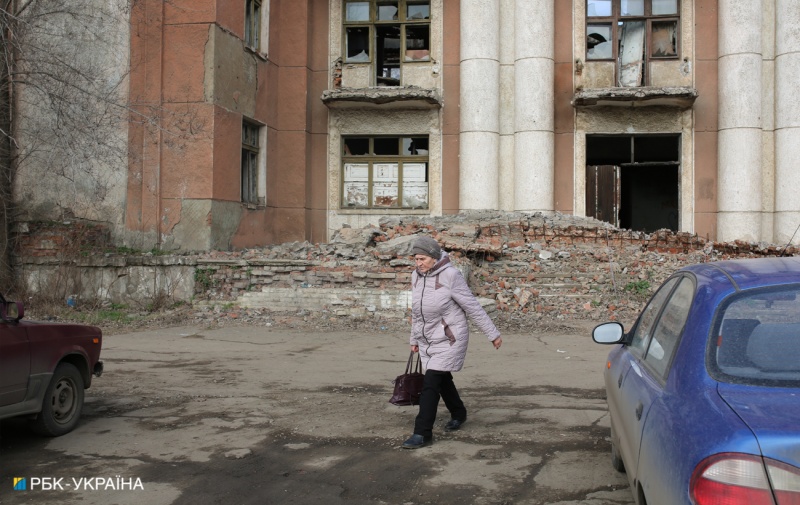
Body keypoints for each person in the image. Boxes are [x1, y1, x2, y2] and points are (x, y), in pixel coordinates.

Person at [402, 235, 502, 449]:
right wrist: (414, 338)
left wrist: (492, 333)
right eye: (416, 259)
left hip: (450, 338)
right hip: (427, 337)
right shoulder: (416, 276)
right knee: (441, 378)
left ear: (434, 257)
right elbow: (417, 312)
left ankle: (422, 433)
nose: (418, 264)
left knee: (430, 383)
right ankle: (459, 412)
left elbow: (472, 306)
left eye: (422, 259)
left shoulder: (450, 275)